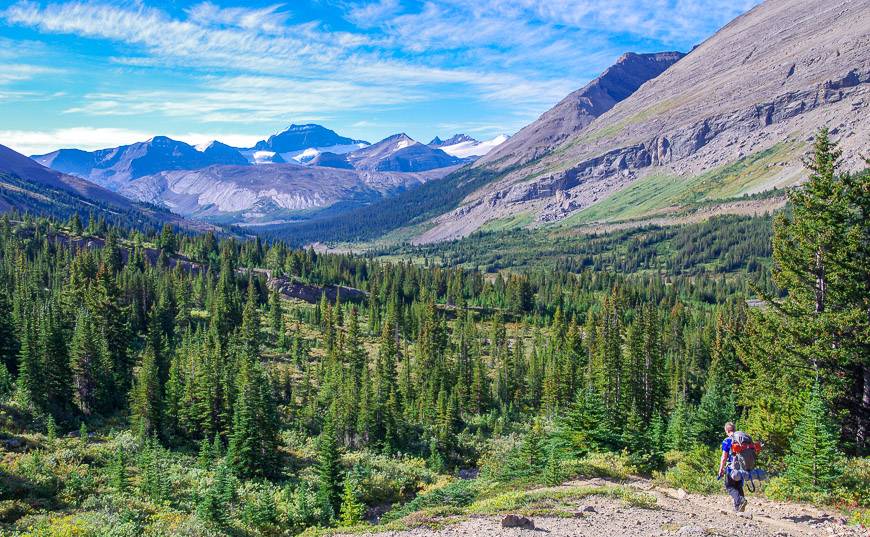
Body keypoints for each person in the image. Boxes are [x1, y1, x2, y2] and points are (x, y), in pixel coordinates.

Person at [717, 421, 747, 512]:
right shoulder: (743, 440)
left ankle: (741, 501)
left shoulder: (727, 440)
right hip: (743, 468)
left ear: (727, 430)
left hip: (732, 468)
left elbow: (724, 457)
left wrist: (721, 469)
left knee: (729, 486)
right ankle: (738, 508)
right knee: (738, 486)